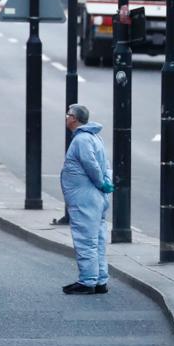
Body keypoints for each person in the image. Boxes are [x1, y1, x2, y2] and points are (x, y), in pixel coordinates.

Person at [60, 104, 112, 295]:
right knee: (97, 239)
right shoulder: (94, 137)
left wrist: (100, 182)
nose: (66, 118)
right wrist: (106, 183)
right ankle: (100, 280)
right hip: (97, 197)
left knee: (85, 239)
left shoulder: (81, 140)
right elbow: (106, 164)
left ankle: (88, 281)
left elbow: (91, 165)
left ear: (74, 118)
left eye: (68, 115)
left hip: (85, 197)